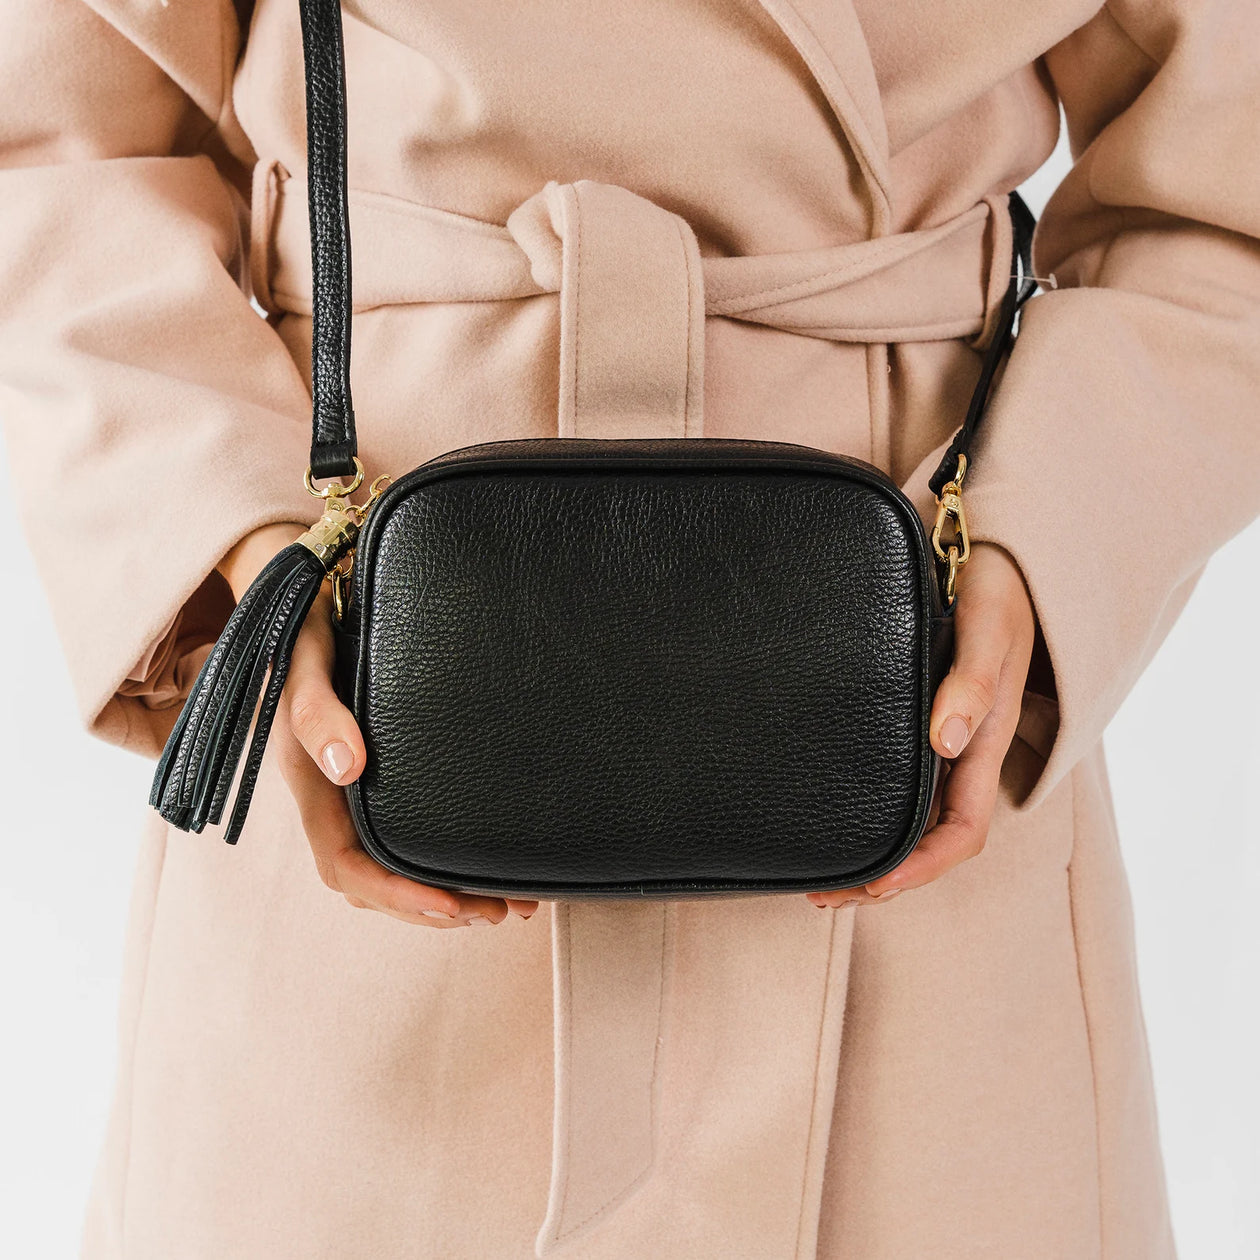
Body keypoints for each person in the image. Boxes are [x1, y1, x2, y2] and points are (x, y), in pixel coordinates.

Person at [2, 1, 1257, 1256]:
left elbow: (1225, 182)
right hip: (365, 668)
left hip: (920, 681)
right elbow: (62, 149)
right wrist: (244, 560)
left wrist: (1046, 526)